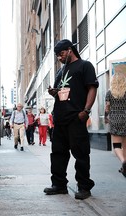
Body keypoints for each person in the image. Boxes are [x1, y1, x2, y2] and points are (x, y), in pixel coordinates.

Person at [45, 39, 99, 200]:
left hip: (76, 117)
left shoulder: (84, 65)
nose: (59, 58)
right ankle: (59, 185)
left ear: (70, 50)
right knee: (58, 153)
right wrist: (54, 92)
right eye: (57, 56)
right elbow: (62, 92)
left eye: (61, 54)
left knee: (81, 153)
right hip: (60, 118)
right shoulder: (60, 71)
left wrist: (86, 110)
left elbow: (92, 88)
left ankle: (84, 187)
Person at [104, 72, 126, 177]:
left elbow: (107, 107)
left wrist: (105, 117)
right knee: (125, 145)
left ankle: (123, 162)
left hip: (115, 119)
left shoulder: (109, 92)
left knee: (116, 145)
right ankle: (124, 167)